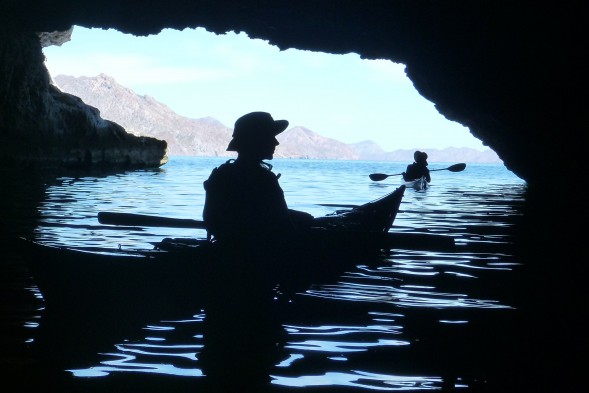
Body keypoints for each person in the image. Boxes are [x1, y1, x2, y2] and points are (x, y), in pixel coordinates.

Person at [202, 111, 313, 247]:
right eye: (269, 136)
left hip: (229, 247)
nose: (276, 142)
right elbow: (284, 226)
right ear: (256, 140)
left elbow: (212, 221)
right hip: (258, 254)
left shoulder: (221, 174)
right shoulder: (264, 179)